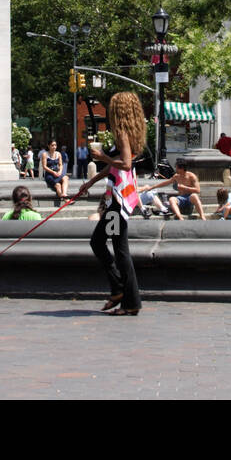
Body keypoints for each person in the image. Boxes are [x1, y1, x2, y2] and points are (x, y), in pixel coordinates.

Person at [78, 91, 146, 316]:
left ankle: (125, 297)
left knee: (109, 245)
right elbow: (115, 166)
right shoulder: (129, 132)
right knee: (112, 245)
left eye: (112, 107)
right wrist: (91, 181)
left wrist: (101, 157)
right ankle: (124, 295)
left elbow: (124, 164)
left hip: (119, 199)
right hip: (120, 196)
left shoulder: (122, 133)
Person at [141, 157, 207, 221]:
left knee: (194, 196)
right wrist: (152, 187)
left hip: (190, 197)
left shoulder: (192, 176)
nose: (175, 169)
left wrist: (185, 188)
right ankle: (180, 217)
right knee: (171, 199)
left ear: (182, 168)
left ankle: (202, 216)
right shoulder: (176, 176)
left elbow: (198, 190)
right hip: (180, 198)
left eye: (177, 168)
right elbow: (166, 182)